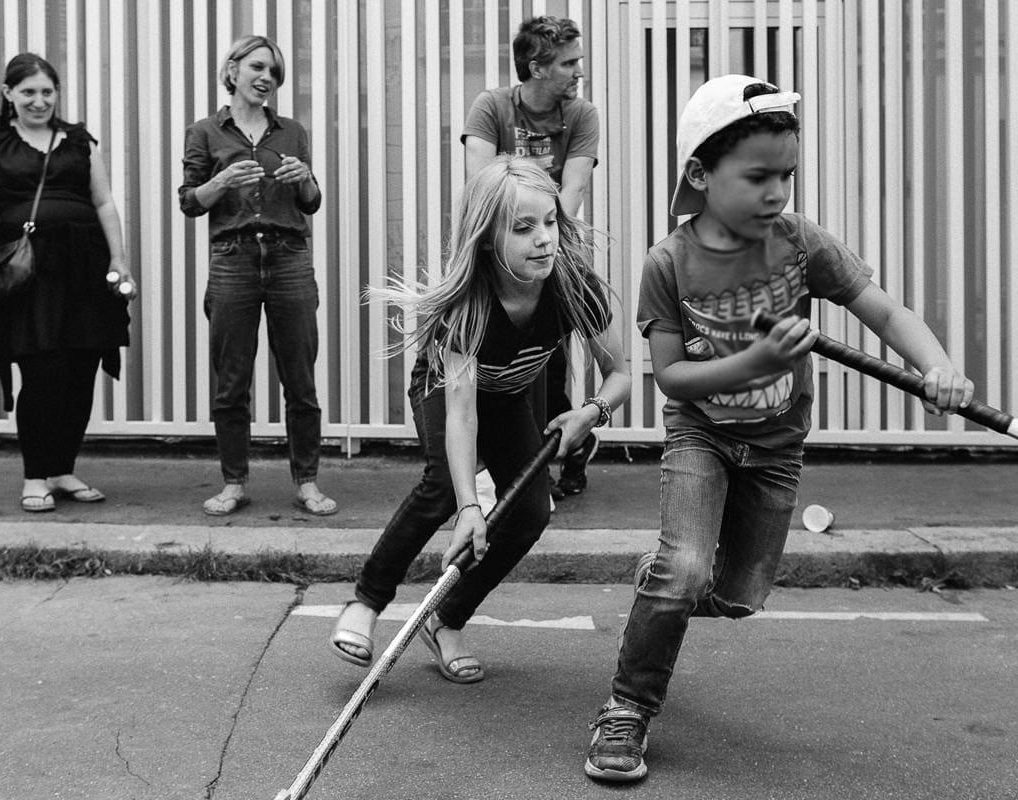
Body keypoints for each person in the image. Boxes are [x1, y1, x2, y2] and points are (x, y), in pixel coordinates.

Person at [584, 74, 975, 782]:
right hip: (699, 435)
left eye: (787, 175)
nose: (777, 193)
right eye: (758, 176)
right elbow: (671, 378)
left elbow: (884, 312)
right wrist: (756, 360)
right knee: (685, 574)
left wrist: (939, 366)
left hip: (775, 448)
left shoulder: (799, 243)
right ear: (700, 175)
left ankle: (664, 579)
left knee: (735, 597)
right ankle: (626, 709)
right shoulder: (668, 264)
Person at [330, 156, 631, 682]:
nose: (545, 239)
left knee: (532, 512)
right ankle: (366, 602)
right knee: (446, 486)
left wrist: (590, 414)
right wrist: (472, 506)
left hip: (512, 393)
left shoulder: (574, 286)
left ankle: (446, 620)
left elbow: (621, 374)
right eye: (524, 228)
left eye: (550, 221)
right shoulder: (467, 307)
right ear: (489, 238)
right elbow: (462, 417)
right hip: (446, 390)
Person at [0, 53, 136, 514]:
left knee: (81, 370)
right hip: (30, 272)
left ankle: (62, 469)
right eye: (29, 92)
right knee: (41, 371)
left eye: (47, 92)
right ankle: (35, 475)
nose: (39, 101)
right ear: (9, 94)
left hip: (84, 267)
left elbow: (104, 202)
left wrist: (119, 259)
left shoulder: (78, 139)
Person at [178, 35, 336, 517]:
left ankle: (307, 482)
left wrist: (304, 178)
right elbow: (188, 201)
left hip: (289, 257)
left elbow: (311, 202)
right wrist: (220, 182)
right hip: (233, 258)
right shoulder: (205, 131)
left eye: (274, 73)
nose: (266, 78)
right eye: (258, 68)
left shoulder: (291, 131)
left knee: (300, 379)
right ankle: (233, 482)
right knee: (232, 380)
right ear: (233, 71)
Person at [462, 14, 602, 499]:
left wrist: (545, 237)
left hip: (553, 248)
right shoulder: (492, 107)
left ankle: (557, 458)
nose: (577, 70)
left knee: (551, 363)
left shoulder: (581, 115)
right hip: (501, 252)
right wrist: (513, 237)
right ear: (538, 67)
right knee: (495, 361)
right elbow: (482, 184)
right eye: (568, 62)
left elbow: (575, 185)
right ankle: (501, 469)